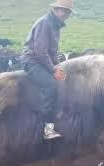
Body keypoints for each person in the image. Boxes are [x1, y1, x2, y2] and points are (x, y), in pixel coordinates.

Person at [21, 0, 74, 140]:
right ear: (55, 9)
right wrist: (53, 70)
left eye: (67, 11)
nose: (64, 13)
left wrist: (58, 66)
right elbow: (40, 51)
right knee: (50, 85)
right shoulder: (45, 23)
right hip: (32, 61)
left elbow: (51, 51)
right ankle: (45, 129)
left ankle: (57, 119)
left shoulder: (55, 25)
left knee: (64, 80)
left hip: (41, 61)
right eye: (61, 10)